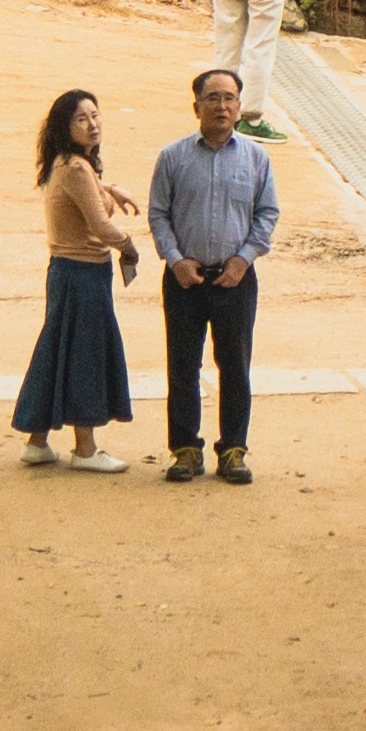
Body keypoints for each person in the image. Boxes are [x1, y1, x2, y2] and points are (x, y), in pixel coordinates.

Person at [149, 61, 280, 485]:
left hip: (236, 279)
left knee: (235, 365)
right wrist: (175, 259)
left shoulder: (257, 158)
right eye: (213, 98)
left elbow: (267, 213)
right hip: (185, 280)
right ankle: (185, 450)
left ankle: (234, 451)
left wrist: (244, 259)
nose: (221, 106)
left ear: (240, 107)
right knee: (183, 366)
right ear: (196, 106)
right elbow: (159, 214)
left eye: (229, 98)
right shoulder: (172, 157)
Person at [14, 88, 143, 469]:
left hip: (66, 272)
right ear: (65, 127)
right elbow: (101, 226)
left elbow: (86, 191)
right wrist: (129, 246)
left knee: (57, 353)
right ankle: (85, 450)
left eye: (95, 115)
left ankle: (37, 442)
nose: (92, 124)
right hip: (84, 273)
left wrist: (108, 186)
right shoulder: (75, 167)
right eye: (81, 119)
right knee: (86, 355)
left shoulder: (68, 164)